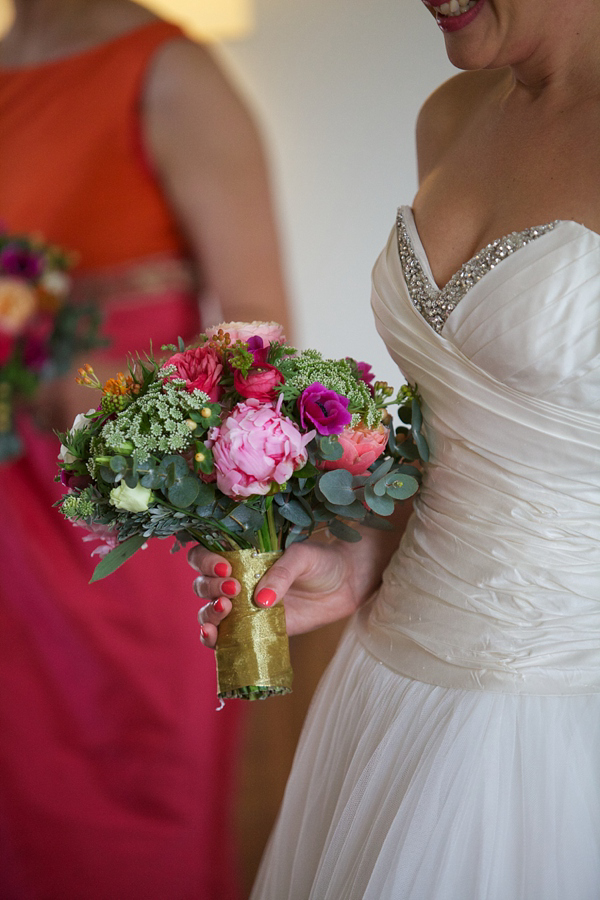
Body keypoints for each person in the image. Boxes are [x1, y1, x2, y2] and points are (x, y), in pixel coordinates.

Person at [192, 0, 600, 896]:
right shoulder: (452, 115)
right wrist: (367, 549)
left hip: (553, 712)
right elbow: (462, 424)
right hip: (386, 681)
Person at [0, 1, 290, 897]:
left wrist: (77, 376)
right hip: (7, 535)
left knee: (131, 823)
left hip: (112, 532)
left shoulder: (171, 73)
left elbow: (262, 357)